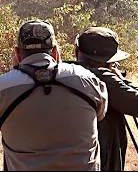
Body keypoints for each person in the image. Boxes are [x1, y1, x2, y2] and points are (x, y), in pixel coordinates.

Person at [0, 20, 108, 170]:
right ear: (55, 51)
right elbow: (100, 114)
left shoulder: (3, 87)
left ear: (17, 53)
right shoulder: (87, 79)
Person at [68, 27, 138, 171]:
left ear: (76, 51)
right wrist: (120, 79)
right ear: (110, 60)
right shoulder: (104, 79)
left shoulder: (60, 74)